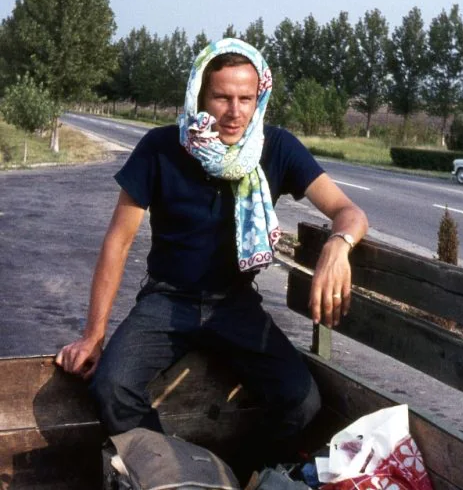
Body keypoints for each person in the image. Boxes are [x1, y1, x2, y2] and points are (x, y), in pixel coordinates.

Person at [56, 38, 368, 454]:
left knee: (301, 402)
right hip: (167, 300)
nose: (235, 111)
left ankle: (239, 478)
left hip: (235, 305)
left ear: (259, 98)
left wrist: (337, 246)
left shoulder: (275, 147)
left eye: (246, 98)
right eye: (222, 97)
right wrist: (93, 335)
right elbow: (118, 241)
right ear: (200, 96)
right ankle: (174, 472)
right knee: (111, 388)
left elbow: (348, 211)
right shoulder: (161, 148)